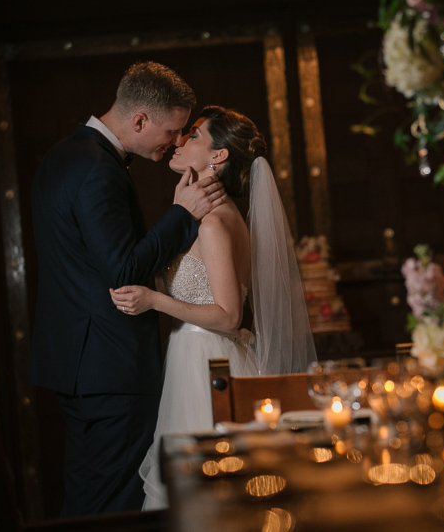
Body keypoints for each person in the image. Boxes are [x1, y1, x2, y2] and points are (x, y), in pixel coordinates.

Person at [29, 61, 226, 516]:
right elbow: (122, 269)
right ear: (139, 120)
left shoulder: (64, 154)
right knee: (114, 506)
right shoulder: (97, 169)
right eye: (174, 130)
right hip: (109, 366)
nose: (177, 141)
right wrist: (183, 213)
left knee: (90, 497)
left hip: (80, 362)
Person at [109, 105, 317, 509]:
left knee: (210, 495)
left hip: (208, 362)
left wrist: (154, 301)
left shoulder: (215, 223)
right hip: (193, 359)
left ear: (218, 156)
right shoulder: (204, 216)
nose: (181, 141)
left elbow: (228, 315)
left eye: (196, 135)